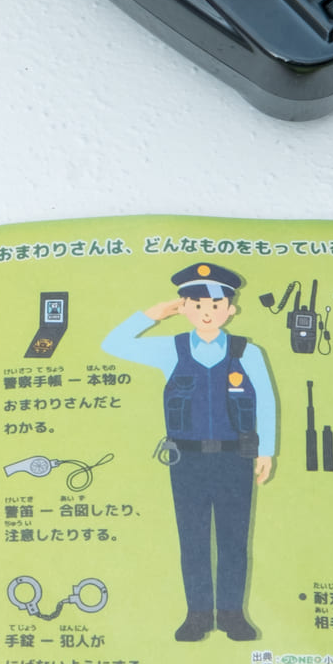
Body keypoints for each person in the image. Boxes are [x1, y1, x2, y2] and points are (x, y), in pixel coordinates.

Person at [102, 263, 277, 642]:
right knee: (193, 539)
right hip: (187, 460)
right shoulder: (171, 350)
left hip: (236, 458)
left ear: (230, 309)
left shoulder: (247, 352)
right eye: (196, 305)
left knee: (233, 540)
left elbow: (265, 400)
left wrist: (267, 450)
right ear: (184, 308)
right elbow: (113, 344)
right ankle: (197, 615)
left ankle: (231, 615)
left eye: (215, 305)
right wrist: (153, 314)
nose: (206, 312)